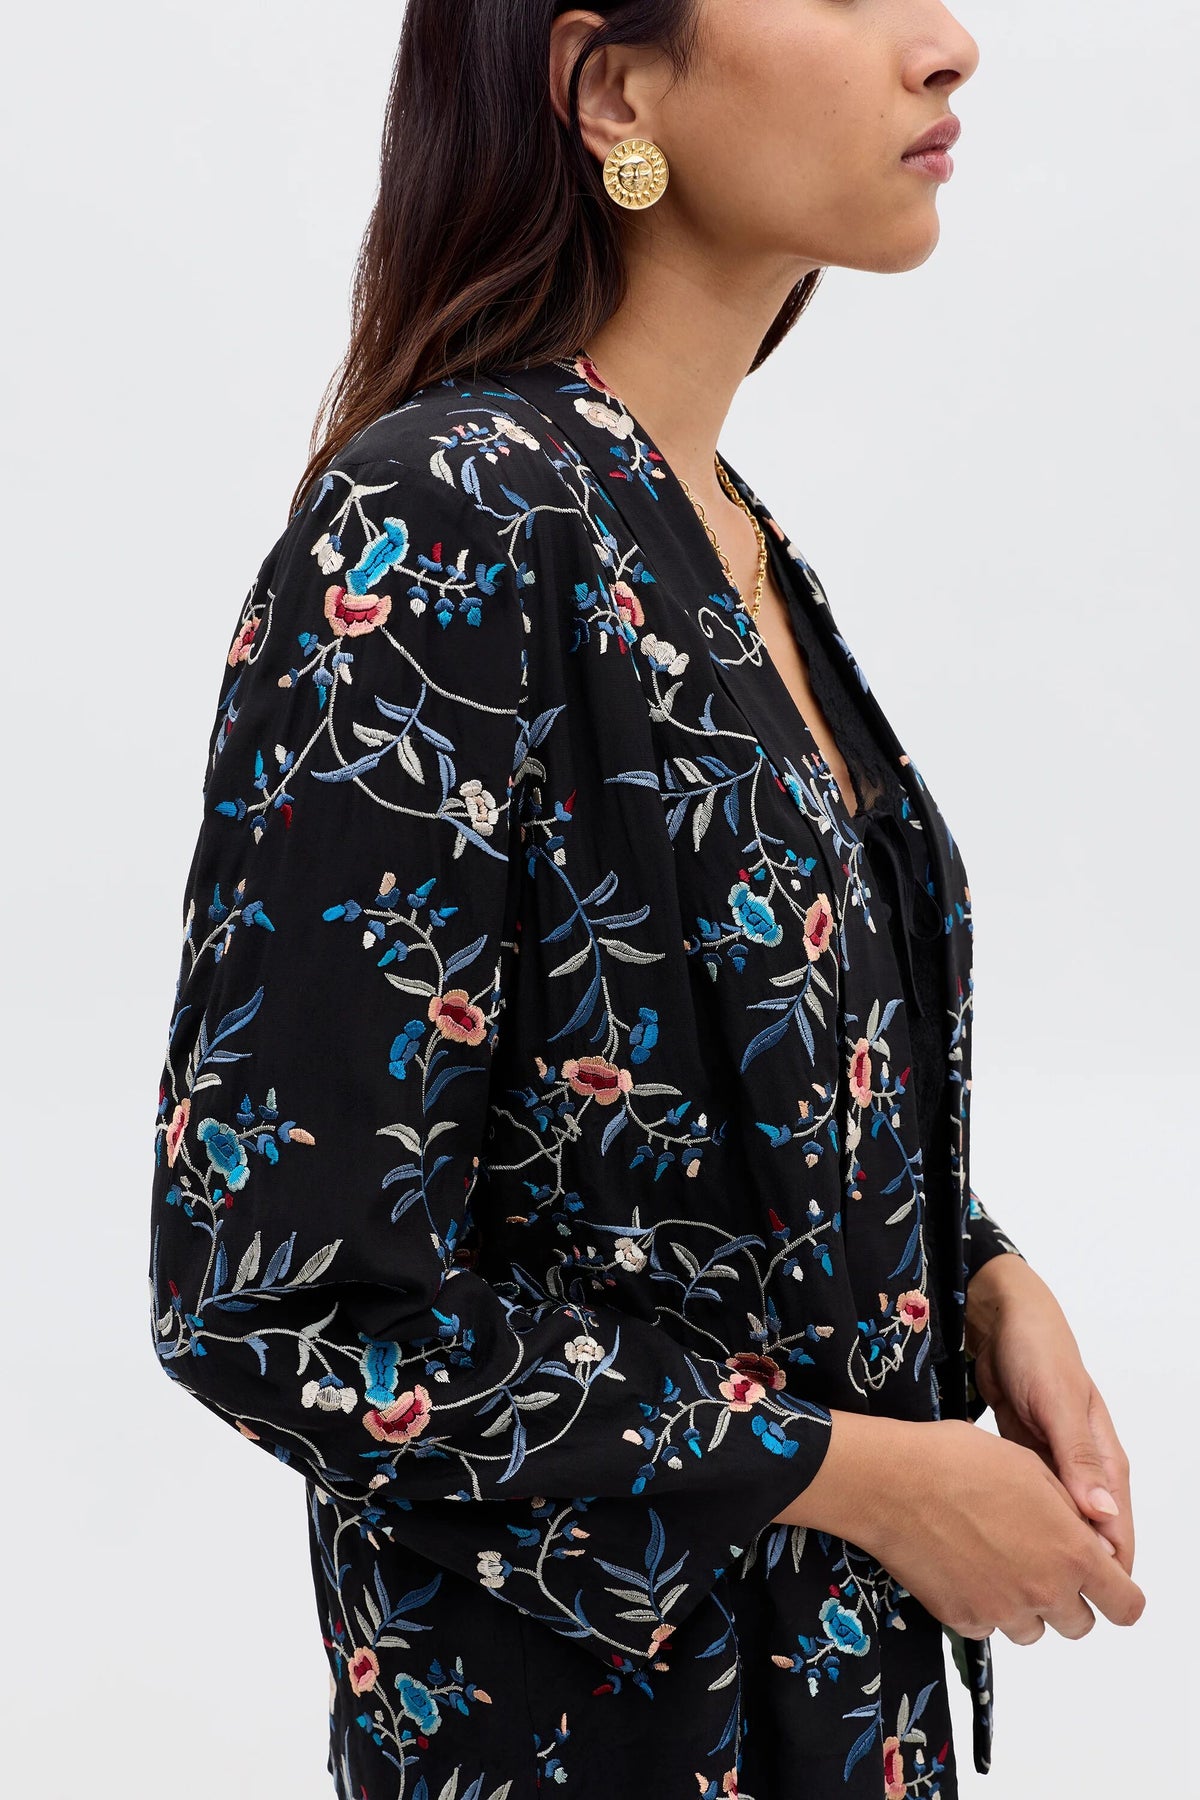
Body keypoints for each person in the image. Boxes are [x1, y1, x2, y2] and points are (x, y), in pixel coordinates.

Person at [147, 5, 1144, 1796]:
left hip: (835, 1720)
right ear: (616, 89)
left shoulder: (714, 530)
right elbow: (280, 1294)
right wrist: (858, 1473)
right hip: (593, 1743)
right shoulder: (440, 523)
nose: (948, 43)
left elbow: (684, 1127)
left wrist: (985, 1283)